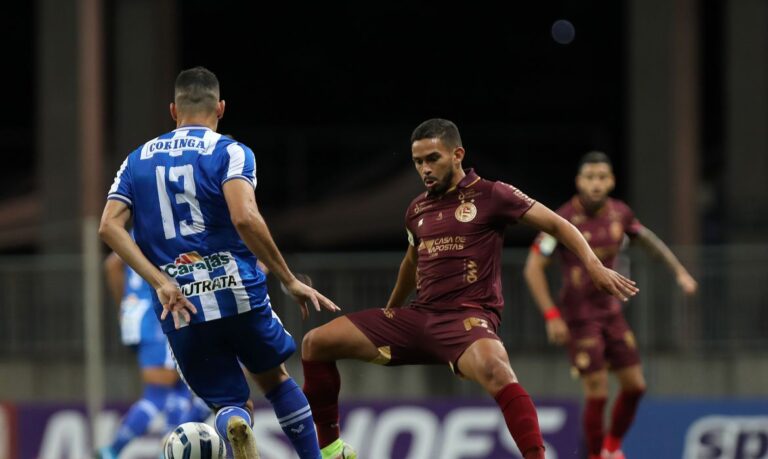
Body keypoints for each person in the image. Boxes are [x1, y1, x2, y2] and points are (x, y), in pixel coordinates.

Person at [300, 119, 639, 459]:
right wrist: (390, 314)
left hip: (468, 320)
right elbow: (410, 264)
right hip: (420, 318)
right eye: (418, 162)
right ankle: (332, 451)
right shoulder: (416, 209)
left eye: (433, 158)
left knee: (496, 368)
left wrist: (594, 265)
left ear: (457, 154)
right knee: (316, 343)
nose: (424, 169)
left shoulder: (493, 194)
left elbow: (559, 224)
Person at [99, 66, 339, 459]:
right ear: (221, 108)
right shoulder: (230, 151)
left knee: (228, 400)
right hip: (238, 290)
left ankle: (232, 419)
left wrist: (159, 281)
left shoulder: (136, 160)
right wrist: (288, 279)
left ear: (173, 110)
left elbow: (109, 227)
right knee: (276, 381)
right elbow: (245, 217)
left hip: (181, 303)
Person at [523, 151, 698, 459]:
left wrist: (680, 272)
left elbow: (649, 241)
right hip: (579, 317)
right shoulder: (562, 219)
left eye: (602, 178)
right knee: (597, 389)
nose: (595, 184)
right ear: (579, 181)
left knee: (635, 386)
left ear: (611, 181)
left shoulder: (621, 213)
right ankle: (595, 454)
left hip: (611, 312)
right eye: (589, 178)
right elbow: (533, 267)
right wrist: (552, 315)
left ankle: (612, 446)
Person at [98, 250, 211, 459]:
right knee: (159, 393)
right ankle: (114, 450)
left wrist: (125, 304)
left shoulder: (135, 233)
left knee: (180, 389)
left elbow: (112, 264)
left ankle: (167, 449)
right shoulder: (165, 228)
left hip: (139, 318)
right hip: (158, 316)